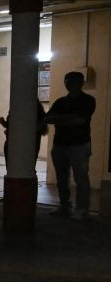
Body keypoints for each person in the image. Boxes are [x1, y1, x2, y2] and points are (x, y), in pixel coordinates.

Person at [44, 71, 97, 219]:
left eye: (72, 81)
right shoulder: (61, 101)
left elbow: (80, 120)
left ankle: (82, 209)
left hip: (79, 145)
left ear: (81, 83)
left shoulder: (88, 100)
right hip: (60, 144)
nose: (69, 84)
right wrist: (70, 118)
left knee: (80, 177)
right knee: (62, 177)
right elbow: (48, 118)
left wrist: (60, 119)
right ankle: (64, 206)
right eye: (67, 81)